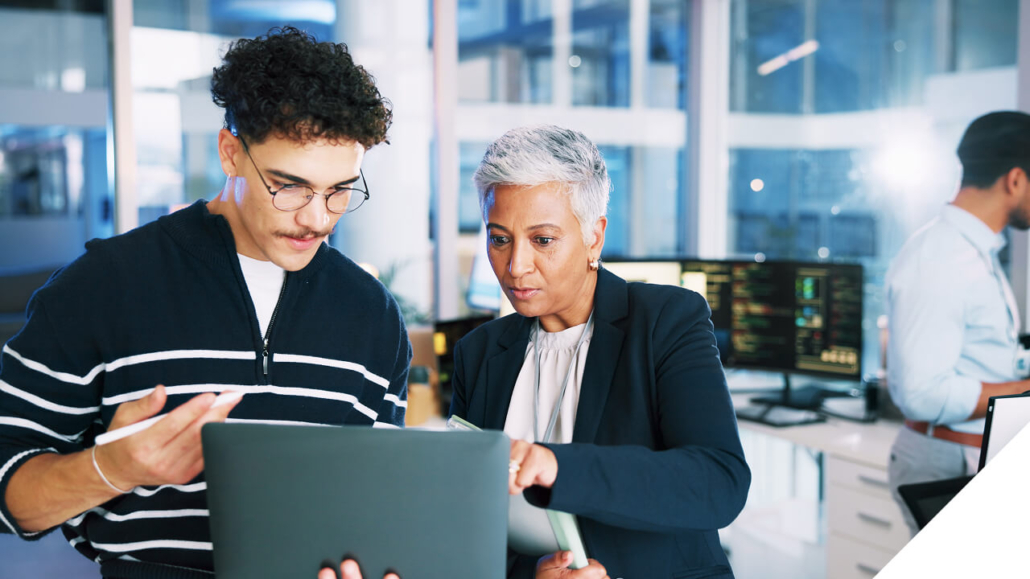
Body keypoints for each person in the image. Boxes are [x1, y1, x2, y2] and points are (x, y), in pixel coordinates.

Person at [0, 27, 410, 579]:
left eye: (340, 189)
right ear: (231, 153)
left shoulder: (374, 315)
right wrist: (112, 468)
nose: (317, 218)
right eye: (290, 187)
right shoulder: (103, 285)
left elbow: (380, 507)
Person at [449, 125, 751, 579]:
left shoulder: (665, 320)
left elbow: (717, 482)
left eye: (543, 239)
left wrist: (554, 465)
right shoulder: (480, 353)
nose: (516, 266)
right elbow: (470, 519)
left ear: (594, 238)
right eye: (499, 239)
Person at [886, 111, 1030, 535]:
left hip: (968, 457)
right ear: (1016, 179)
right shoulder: (942, 258)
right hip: (946, 466)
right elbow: (921, 393)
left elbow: (980, 357)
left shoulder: (975, 251)